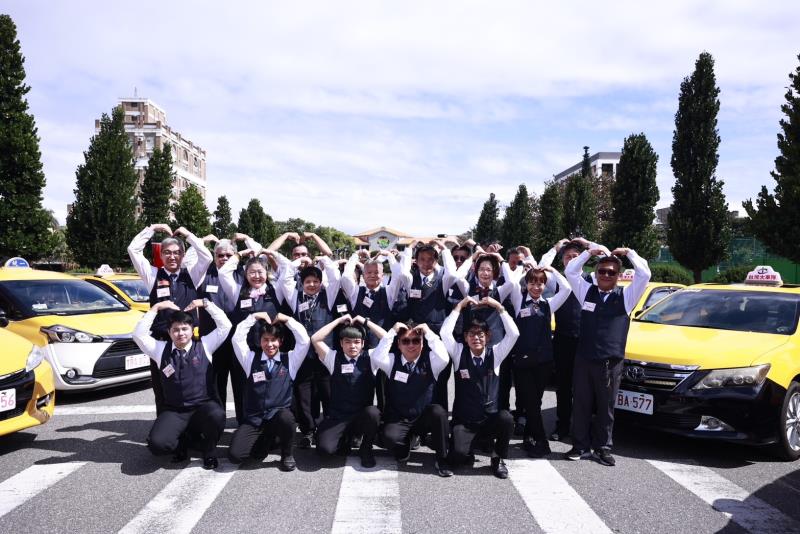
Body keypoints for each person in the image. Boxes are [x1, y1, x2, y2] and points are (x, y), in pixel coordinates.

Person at [563, 246, 650, 466]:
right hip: (584, 359)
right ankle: (580, 446)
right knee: (581, 404)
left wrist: (629, 253)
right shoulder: (586, 291)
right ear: (596, 273)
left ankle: (602, 447)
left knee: (606, 407)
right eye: (602, 271)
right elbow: (571, 272)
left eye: (611, 272)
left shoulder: (627, 296)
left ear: (618, 276)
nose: (606, 275)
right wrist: (588, 253)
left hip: (610, 363)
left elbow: (645, 274)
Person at [132, 299, 230, 470]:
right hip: (175, 410)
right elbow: (138, 335)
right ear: (169, 332)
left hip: (202, 406)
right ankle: (181, 446)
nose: (180, 333)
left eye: (185, 329)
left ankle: (209, 451)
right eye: (175, 330)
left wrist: (206, 304)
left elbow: (225, 326)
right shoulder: (160, 349)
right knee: (158, 445)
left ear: (192, 330)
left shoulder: (205, 345)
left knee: (217, 415)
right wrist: (155, 308)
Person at [128, 223, 212, 414]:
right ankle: (165, 427)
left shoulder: (192, 273)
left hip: (189, 341)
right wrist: (152, 228)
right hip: (162, 343)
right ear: (161, 255)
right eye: (167, 252)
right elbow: (133, 249)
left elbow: (206, 256)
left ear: (182, 255)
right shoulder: (152, 275)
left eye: (176, 252)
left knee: (193, 386)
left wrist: (188, 235)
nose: (172, 256)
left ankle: (192, 429)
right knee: (163, 388)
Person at [441, 296, 519, 479]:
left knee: (506, 418)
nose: (476, 338)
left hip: (489, 419)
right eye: (472, 334)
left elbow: (514, 334)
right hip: (466, 421)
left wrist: (499, 307)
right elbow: (445, 333)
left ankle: (498, 458)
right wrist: (459, 306)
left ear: (488, 337)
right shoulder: (459, 352)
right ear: (466, 338)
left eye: (480, 334)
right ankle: (467, 450)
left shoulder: (497, 354)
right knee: (458, 457)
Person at [539, 237, 608, 440]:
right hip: (563, 340)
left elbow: (606, 255)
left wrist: (588, 244)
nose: (571, 259)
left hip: (586, 341)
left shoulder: (593, 279)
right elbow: (542, 267)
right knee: (564, 385)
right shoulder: (557, 280)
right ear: (563, 261)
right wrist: (555, 247)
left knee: (586, 388)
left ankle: (584, 427)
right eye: (568, 257)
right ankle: (562, 426)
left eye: (575, 256)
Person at [229, 311, 309, 471]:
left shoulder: (290, 360)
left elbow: (304, 340)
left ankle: (287, 453)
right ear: (260, 341)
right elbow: (236, 339)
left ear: (281, 341)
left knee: (286, 417)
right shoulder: (250, 359)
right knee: (236, 455)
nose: (270, 344)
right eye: (265, 340)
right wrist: (253, 317)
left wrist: (287, 319)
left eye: (274, 340)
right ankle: (268, 440)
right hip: (255, 419)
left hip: (277, 417)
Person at [372, 321, 453, 477]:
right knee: (389, 439)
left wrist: (428, 332)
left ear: (422, 343)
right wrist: (392, 330)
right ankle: (407, 442)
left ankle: (442, 459)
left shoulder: (431, 360)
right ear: (399, 344)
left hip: (423, 418)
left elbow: (444, 357)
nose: (411, 345)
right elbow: (377, 357)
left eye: (416, 341)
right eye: (405, 341)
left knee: (438, 412)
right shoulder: (391, 361)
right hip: (400, 419)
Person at [278, 255, 342, 448]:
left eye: (315, 281)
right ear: (302, 283)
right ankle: (308, 430)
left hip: (324, 353)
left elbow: (336, 278)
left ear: (321, 283)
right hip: (303, 356)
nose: (312, 285)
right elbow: (285, 279)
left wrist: (324, 260)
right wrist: (299, 262)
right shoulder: (295, 297)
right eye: (308, 281)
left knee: (328, 392)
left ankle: (330, 427)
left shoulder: (328, 297)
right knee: (304, 396)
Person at [509, 264, 573, 457]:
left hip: (543, 362)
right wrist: (522, 269)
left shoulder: (548, 304)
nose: (536, 287)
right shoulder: (519, 299)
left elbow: (567, 289)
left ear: (545, 285)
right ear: (527, 284)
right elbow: (512, 282)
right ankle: (543, 442)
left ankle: (530, 437)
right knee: (529, 401)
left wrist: (552, 271)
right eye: (532, 282)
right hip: (522, 361)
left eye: (540, 283)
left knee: (535, 402)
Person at [311, 314, 387, 468]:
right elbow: (315, 339)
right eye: (348, 342)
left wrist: (366, 322)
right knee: (325, 450)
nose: (352, 346)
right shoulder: (333, 358)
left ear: (363, 343)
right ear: (341, 343)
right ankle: (344, 439)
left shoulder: (371, 357)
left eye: (357, 342)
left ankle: (366, 448)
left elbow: (387, 338)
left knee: (374, 413)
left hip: (361, 415)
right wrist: (338, 321)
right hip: (338, 416)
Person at [395, 241, 459, 409]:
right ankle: (418, 422)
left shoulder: (442, 280)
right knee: (419, 380)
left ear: (436, 261)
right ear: (416, 261)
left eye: (431, 259)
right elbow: (402, 272)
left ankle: (440, 420)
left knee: (440, 379)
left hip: (437, 337)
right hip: (416, 339)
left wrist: (445, 249)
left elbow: (452, 274)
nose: (426, 263)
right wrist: (410, 247)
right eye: (422, 259)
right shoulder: (410, 280)